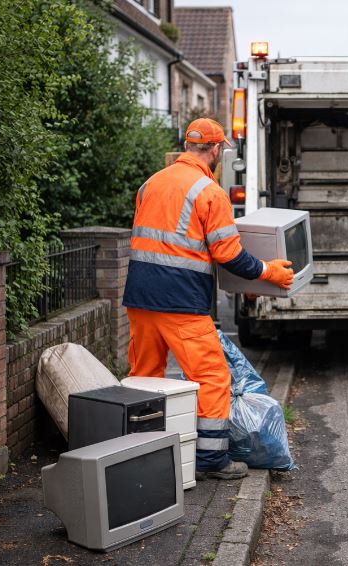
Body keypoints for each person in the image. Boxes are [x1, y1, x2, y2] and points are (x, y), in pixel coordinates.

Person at [123, 118, 294, 480]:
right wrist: (269, 272)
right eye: (221, 150)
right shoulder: (209, 191)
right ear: (215, 150)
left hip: (139, 298)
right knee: (213, 378)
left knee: (144, 377)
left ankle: (139, 453)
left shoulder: (150, 183)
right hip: (181, 302)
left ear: (188, 145)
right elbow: (229, 255)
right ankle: (212, 460)